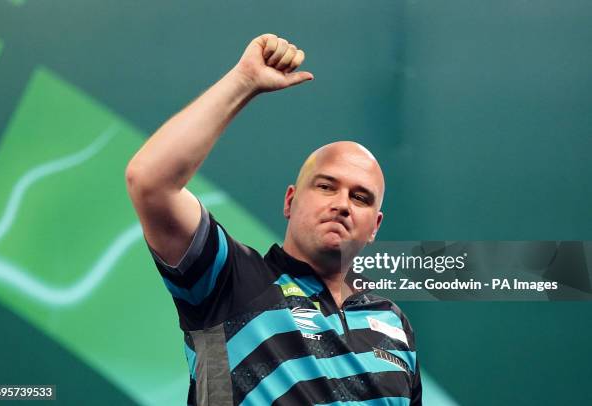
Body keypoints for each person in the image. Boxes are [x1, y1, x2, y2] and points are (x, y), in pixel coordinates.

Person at [126, 33, 422, 406]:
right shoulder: (229, 283)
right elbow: (150, 181)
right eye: (326, 187)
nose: (343, 204)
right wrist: (244, 82)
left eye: (360, 197)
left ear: (375, 225)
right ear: (290, 201)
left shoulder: (394, 324)